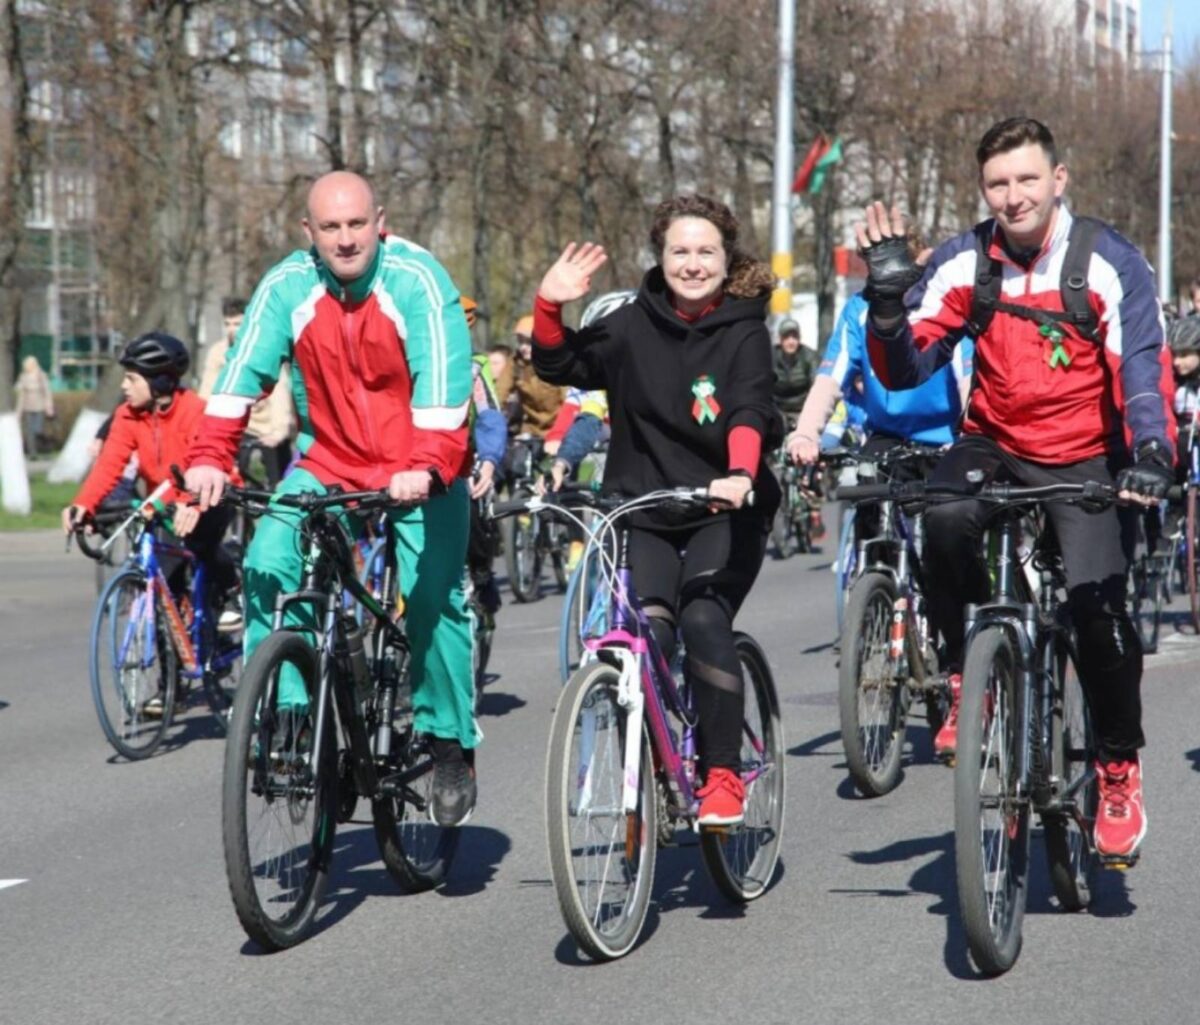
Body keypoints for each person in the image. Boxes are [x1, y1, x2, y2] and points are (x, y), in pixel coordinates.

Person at [860, 117, 1174, 862]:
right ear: (983, 190)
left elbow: (1141, 368)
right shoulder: (967, 259)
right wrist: (883, 303)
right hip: (994, 442)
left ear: (1057, 180)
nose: (1013, 196)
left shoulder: (1108, 261)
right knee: (943, 513)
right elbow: (907, 368)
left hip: (1088, 458)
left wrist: (1154, 451)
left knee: (1100, 617)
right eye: (998, 184)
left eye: (1027, 179)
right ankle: (968, 673)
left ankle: (1118, 768)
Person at [183, 171, 478, 827]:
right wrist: (209, 456)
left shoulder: (419, 280)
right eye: (330, 227)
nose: (345, 239)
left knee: (432, 593)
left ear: (381, 223)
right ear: (308, 234)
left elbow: (444, 382)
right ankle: (289, 716)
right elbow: (241, 375)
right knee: (267, 558)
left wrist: (425, 466)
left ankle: (448, 740)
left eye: (356, 224)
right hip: (331, 462)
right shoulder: (289, 285)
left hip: (423, 461)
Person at [532, 193, 782, 827]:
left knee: (701, 619)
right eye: (680, 251)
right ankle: (652, 767)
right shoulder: (629, 323)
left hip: (724, 509)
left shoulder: (745, 330)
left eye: (706, 252)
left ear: (727, 261)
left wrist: (739, 473)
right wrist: (549, 304)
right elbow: (563, 363)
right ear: (660, 256)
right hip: (644, 507)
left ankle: (722, 772)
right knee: (649, 632)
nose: (692, 264)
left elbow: (751, 406)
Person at [62, 334, 241, 662]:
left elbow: (198, 465)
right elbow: (109, 465)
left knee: (201, 543)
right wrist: (83, 504)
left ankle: (229, 591)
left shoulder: (194, 410)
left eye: (131, 378)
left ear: (159, 381)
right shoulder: (128, 415)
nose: (125, 387)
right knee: (163, 588)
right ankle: (168, 684)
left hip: (211, 493)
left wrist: (191, 500)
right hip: (166, 501)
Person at [198, 297, 295, 488]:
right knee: (232, 480)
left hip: (268, 425)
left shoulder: (265, 348)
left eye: (237, 323)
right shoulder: (217, 353)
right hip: (238, 426)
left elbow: (279, 394)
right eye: (227, 324)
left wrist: (279, 431)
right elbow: (207, 392)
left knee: (278, 481)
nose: (231, 329)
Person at [772, 318, 814, 424]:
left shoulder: (809, 357)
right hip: (776, 410)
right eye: (786, 337)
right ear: (780, 339)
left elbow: (816, 387)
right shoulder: (770, 356)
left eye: (794, 337)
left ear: (799, 339)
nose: (791, 342)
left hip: (803, 410)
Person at [14, 355, 55, 457]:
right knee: (29, 432)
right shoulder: (23, 377)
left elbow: (47, 392)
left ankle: (44, 448)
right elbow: (21, 396)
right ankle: (33, 453)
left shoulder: (41, 376)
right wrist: (18, 412)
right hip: (27, 407)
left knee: (38, 430)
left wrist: (49, 407)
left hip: (40, 407)